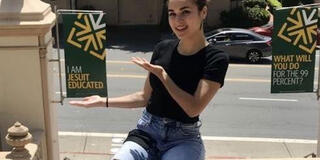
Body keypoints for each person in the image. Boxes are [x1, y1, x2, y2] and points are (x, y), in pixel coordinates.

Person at [69, 0, 229, 159]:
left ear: (203, 12)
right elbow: (144, 97)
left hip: (183, 139)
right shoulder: (163, 48)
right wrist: (102, 101)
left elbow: (193, 108)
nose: (177, 20)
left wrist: (164, 76)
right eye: (172, 13)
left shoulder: (215, 58)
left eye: (185, 12)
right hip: (148, 132)